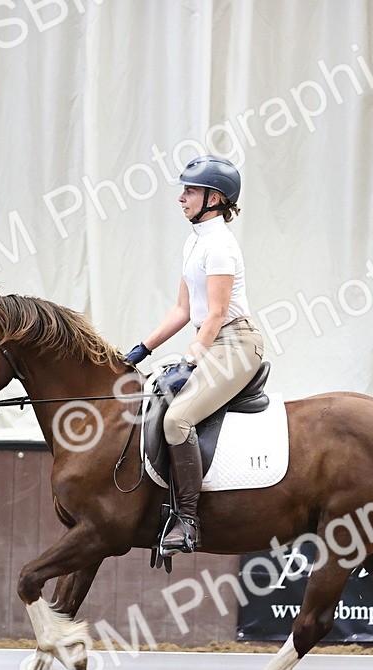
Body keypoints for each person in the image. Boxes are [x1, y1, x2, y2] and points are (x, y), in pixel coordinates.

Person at [123, 155, 265, 556]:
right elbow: (183, 310)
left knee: (178, 419)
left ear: (214, 198)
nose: (181, 197)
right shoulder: (195, 241)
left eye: (190, 190)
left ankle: (187, 520)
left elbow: (217, 314)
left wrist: (191, 358)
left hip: (236, 344)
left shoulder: (219, 246)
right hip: (212, 339)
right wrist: (141, 349)